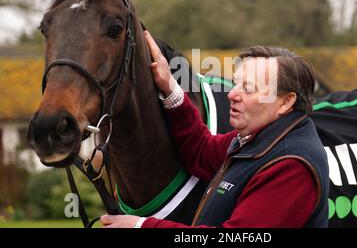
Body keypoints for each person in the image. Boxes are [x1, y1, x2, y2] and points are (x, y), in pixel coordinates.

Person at [101, 30, 329, 228]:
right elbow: (202, 151)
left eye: (248, 89)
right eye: (236, 83)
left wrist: (142, 225)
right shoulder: (261, 139)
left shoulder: (290, 164)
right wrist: (170, 87)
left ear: (286, 101)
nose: (232, 94)